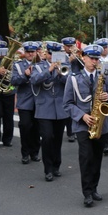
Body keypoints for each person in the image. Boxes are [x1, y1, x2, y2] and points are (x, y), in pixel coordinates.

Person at [63, 44, 108, 207]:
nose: (94, 61)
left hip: (101, 124)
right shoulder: (73, 78)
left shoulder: (104, 76)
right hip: (82, 125)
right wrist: (83, 116)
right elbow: (67, 104)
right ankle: (87, 192)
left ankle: (94, 188)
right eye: (91, 58)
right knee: (86, 158)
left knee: (97, 158)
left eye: (96, 59)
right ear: (84, 58)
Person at [31, 41, 69, 182]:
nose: (53, 56)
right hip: (44, 108)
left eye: (56, 54)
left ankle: (56, 166)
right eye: (51, 54)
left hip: (60, 108)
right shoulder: (39, 67)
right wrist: (50, 70)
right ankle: (48, 169)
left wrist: (60, 74)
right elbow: (34, 80)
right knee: (47, 137)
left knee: (58, 139)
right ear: (47, 54)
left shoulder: (66, 66)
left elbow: (70, 82)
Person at [11, 41, 42, 164]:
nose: (30, 54)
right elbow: (13, 81)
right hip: (25, 101)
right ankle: (25, 153)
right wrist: (25, 75)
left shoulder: (42, 64)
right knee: (25, 127)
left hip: (38, 101)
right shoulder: (18, 65)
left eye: (32, 52)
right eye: (28, 52)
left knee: (36, 128)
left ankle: (35, 152)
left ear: (36, 52)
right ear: (24, 52)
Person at [94, 38, 108, 155]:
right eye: (104, 48)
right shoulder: (95, 62)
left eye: (106, 47)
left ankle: (107, 141)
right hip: (98, 97)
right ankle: (103, 142)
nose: (106, 49)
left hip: (107, 95)